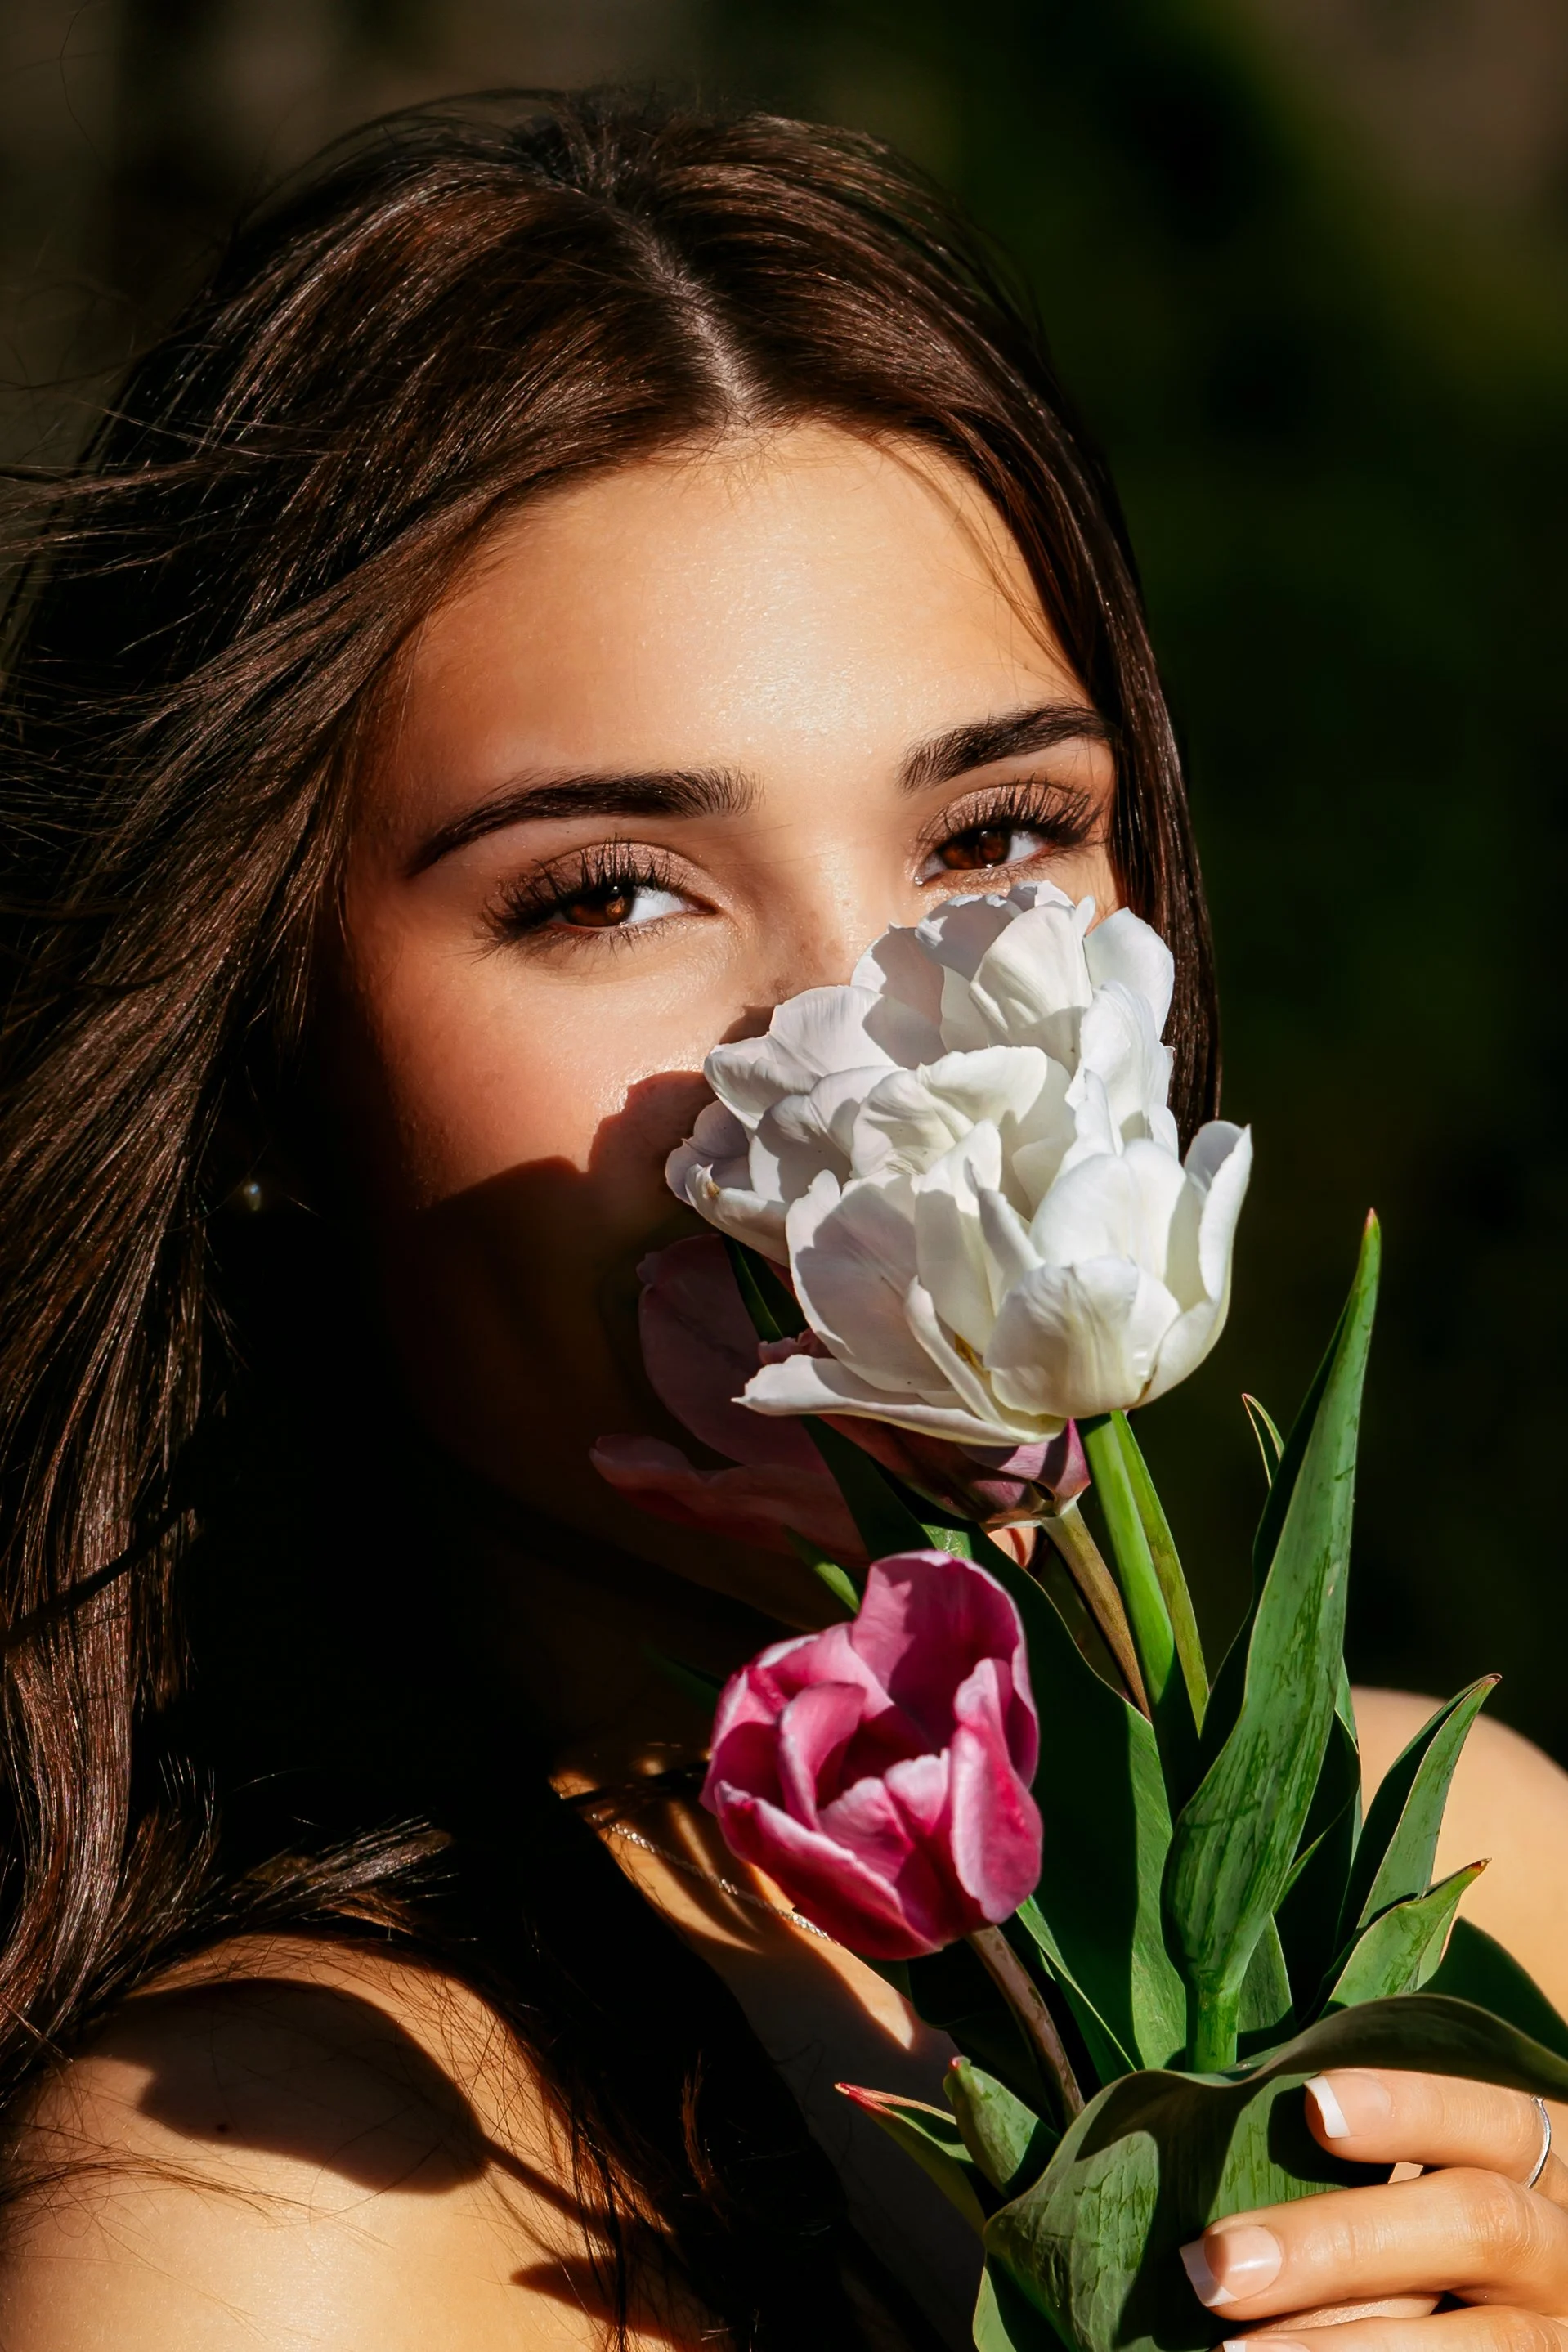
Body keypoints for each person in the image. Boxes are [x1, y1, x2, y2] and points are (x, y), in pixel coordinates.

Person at [0, 93, 1563, 2352]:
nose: (866, 1057)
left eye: (993, 840)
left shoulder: (1473, 1880)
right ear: (265, 1067)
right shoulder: (266, 2215)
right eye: (609, 888)